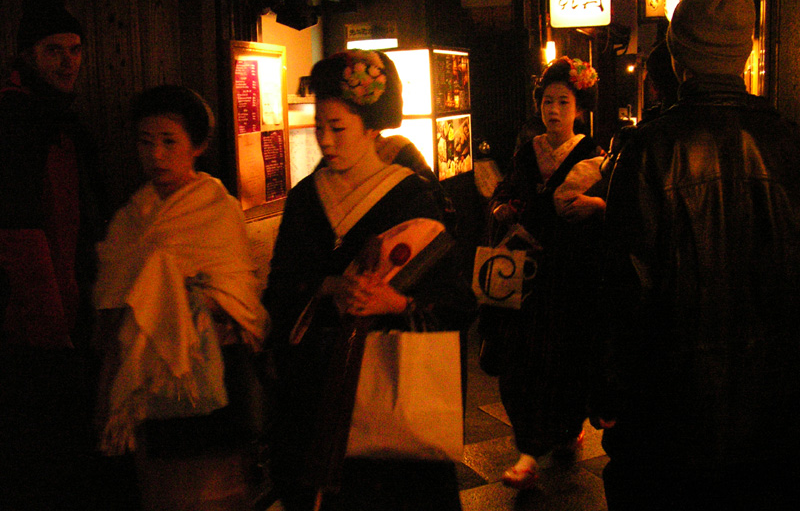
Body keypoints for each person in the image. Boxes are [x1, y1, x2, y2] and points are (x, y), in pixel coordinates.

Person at [597, 0, 800, 511]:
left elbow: (624, 289)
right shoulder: (789, 144)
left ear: (679, 57)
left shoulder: (647, 150)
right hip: (773, 418)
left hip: (668, 417)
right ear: (745, 52)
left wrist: (609, 393)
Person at [264, 50, 475, 511]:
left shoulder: (412, 196)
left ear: (371, 127)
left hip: (392, 393)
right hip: (318, 396)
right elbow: (279, 290)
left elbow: (457, 303)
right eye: (318, 126)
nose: (325, 140)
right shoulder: (305, 199)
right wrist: (326, 287)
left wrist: (395, 303)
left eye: (337, 128)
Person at [93, 85, 270, 510]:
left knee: (214, 494)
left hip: (212, 378)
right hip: (148, 385)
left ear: (198, 146)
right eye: (145, 142)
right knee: (161, 495)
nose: (155, 154)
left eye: (169, 141)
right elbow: (110, 300)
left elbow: (240, 297)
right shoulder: (129, 219)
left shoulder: (218, 211)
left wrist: (190, 301)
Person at [0, 0, 107, 509]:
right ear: (26, 55)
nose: (68, 61)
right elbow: (19, 234)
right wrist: (55, 328)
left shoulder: (58, 119)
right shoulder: (18, 121)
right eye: (53, 50)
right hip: (32, 332)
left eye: (75, 49)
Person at [486, 56, 606, 490]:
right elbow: (506, 192)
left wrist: (596, 205)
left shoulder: (594, 156)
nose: (553, 111)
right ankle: (528, 446)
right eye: (547, 101)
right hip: (526, 278)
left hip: (571, 280)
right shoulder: (527, 152)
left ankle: (559, 433)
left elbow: (616, 211)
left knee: (565, 361)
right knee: (521, 363)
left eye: (563, 102)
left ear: (579, 108)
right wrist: (502, 206)